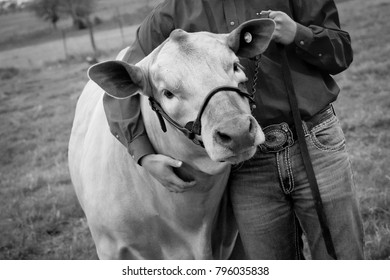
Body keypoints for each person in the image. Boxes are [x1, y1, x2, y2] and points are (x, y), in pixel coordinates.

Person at [102, 0, 364, 259]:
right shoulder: (167, 16)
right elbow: (123, 83)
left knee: (343, 260)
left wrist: (298, 34)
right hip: (244, 165)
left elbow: (341, 52)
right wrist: (143, 153)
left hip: (314, 143)